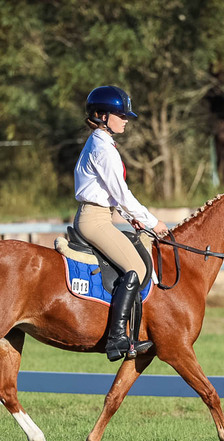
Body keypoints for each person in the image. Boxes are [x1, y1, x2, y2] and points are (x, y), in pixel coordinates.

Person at [73, 85, 169, 362]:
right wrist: (151, 221)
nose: (126, 119)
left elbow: (113, 197)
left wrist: (135, 222)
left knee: (139, 251)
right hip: (95, 220)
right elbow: (122, 195)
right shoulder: (103, 148)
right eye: (120, 114)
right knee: (137, 267)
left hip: (103, 215)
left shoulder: (102, 143)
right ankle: (117, 338)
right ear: (102, 116)